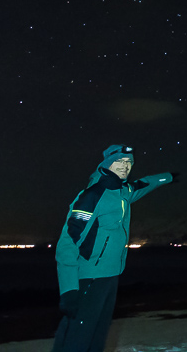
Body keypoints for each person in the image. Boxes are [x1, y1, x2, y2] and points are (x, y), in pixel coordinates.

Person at [51, 145, 176, 352]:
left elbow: (144, 184)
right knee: (78, 337)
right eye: (119, 161)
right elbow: (68, 242)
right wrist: (69, 289)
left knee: (98, 335)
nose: (125, 166)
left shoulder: (123, 192)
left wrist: (168, 177)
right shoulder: (92, 195)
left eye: (129, 162)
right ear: (107, 164)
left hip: (110, 276)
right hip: (89, 277)